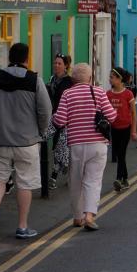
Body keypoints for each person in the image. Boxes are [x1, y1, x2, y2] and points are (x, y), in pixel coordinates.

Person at [0, 42, 52, 240]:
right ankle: (22, 226)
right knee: (24, 182)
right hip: (27, 141)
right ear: (27, 58)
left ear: (9, 57)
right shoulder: (34, 80)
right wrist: (42, 131)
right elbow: (45, 111)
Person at [52, 63, 116, 230]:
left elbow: (59, 120)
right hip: (98, 144)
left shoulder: (67, 94)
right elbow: (112, 116)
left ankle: (77, 217)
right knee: (93, 181)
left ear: (73, 78)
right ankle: (89, 216)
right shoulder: (99, 92)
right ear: (89, 77)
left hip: (77, 145)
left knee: (76, 181)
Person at [106, 67, 137, 191]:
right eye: (110, 77)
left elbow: (134, 113)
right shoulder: (108, 94)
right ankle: (125, 179)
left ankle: (119, 179)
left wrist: (134, 131)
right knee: (119, 155)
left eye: (112, 77)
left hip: (125, 128)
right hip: (114, 128)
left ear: (119, 79)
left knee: (121, 153)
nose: (110, 79)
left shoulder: (128, 94)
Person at [46, 55, 73, 189]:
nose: (56, 65)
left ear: (66, 66)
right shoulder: (52, 79)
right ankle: (63, 166)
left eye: (59, 63)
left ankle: (54, 176)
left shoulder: (69, 81)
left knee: (61, 146)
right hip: (54, 116)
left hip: (66, 118)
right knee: (58, 146)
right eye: (55, 63)